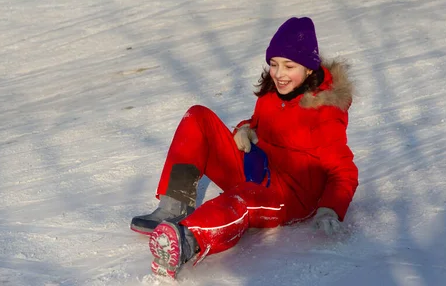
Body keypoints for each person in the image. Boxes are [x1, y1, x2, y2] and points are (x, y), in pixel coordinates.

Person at [130, 17, 359, 278]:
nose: (279, 74)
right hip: (257, 167)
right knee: (198, 117)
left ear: (309, 68)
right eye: (274, 64)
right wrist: (246, 129)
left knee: (242, 199)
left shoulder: (324, 112)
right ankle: (173, 206)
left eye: (289, 66)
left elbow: (344, 172)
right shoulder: (273, 93)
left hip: (288, 197)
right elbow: (259, 122)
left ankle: (187, 240)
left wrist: (330, 209)